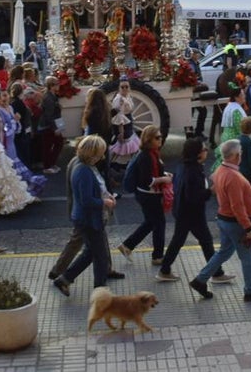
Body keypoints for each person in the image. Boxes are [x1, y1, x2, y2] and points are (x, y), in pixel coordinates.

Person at [189, 139, 251, 302]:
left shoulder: (220, 170)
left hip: (224, 219)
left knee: (224, 251)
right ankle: (250, 290)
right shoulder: (233, 176)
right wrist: (248, 228)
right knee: (248, 257)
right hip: (235, 223)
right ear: (236, 156)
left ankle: (200, 280)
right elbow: (238, 206)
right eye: (240, 153)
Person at [157, 136, 235, 284]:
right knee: (205, 240)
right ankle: (216, 273)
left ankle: (165, 269)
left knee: (179, 240)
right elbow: (194, 196)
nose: (207, 152)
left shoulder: (183, 166)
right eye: (205, 149)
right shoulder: (193, 171)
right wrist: (211, 191)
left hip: (182, 210)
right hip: (192, 214)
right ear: (198, 153)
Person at [51, 135, 116, 296]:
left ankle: (64, 279)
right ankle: (100, 290)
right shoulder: (84, 171)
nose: (102, 157)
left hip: (86, 219)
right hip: (89, 220)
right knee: (99, 256)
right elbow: (86, 201)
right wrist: (105, 202)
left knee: (90, 253)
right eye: (100, 153)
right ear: (92, 154)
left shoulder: (83, 166)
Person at [117, 124, 172, 265]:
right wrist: (163, 179)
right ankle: (157, 256)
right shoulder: (146, 157)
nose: (161, 140)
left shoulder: (152, 154)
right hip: (149, 196)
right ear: (149, 140)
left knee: (150, 222)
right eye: (157, 137)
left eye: (161, 137)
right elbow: (146, 180)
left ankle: (127, 246)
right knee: (159, 224)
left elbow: (151, 173)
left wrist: (164, 174)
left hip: (148, 195)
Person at [210, 84, 246, 172]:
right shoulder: (236, 110)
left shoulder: (229, 106)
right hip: (233, 140)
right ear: (237, 97)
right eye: (242, 94)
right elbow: (240, 128)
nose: (244, 96)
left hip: (226, 137)